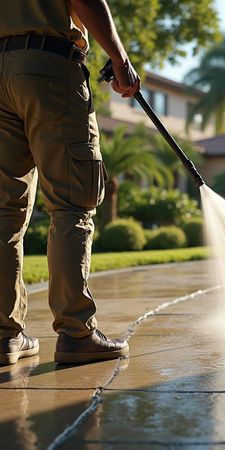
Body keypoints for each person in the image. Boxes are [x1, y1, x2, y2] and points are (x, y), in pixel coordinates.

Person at [0, 0, 140, 366]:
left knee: (2, 211)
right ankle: (77, 333)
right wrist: (120, 58)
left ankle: (4, 337)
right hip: (47, 68)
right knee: (72, 203)